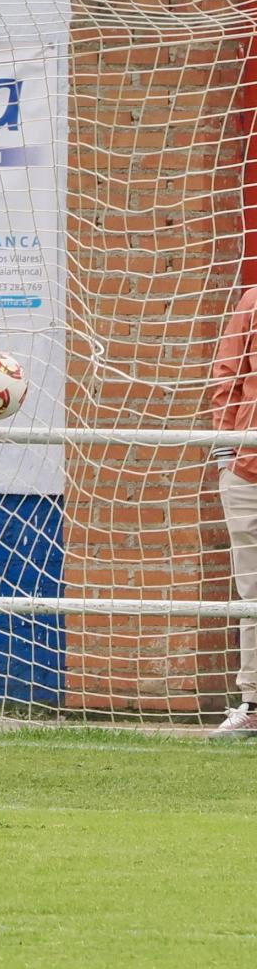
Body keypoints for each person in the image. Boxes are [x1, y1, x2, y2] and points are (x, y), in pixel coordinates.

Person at [211, 285, 257, 736]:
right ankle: (254, 703)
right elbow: (227, 377)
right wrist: (228, 459)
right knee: (254, 593)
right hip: (249, 470)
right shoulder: (253, 301)